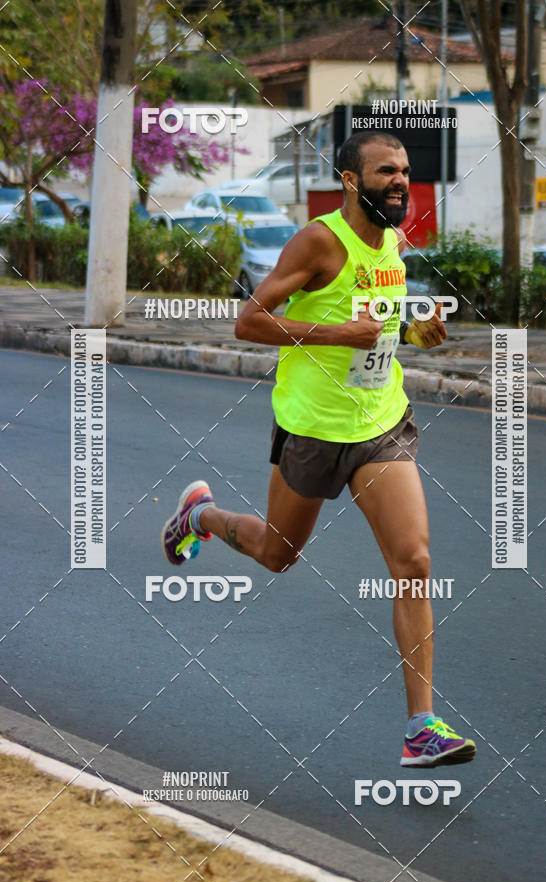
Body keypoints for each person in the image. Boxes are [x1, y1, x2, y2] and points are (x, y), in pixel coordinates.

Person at [161, 131, 476, 768]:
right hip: (311, 428)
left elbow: (377, 326)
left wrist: (414, 332)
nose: (400, 181)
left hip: (380, 424)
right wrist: (336, 332)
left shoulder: (391, 241)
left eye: (406, 171)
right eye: (386, 170)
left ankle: (421, 726)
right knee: (278, 554)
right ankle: (199, 516)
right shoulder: (319, 241)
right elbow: (249, 321)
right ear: (352, 180)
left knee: (414, 560)